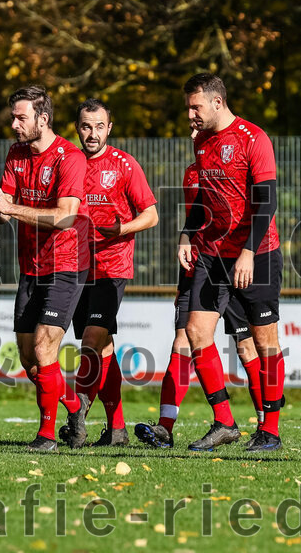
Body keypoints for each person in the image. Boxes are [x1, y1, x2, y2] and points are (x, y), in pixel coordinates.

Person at [135, 124, 265, 449]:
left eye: (199, 123)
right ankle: (165, 428)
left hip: (234, 263)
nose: (194, 131)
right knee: (184, 339)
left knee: (247, 346)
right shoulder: (192, 172)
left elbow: (258, 205)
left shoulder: (237, 159)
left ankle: (266, 426)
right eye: (190, 125)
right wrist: (184, 237)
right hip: (200, 266)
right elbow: (198, 215)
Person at [0, 85, 89, 452]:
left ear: (43, 118)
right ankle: (74, 405)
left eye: (21, 117)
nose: (14, 123)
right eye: (13, 116)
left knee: (44, 349)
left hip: (67, 264)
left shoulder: (69, 157)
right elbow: (5, 213)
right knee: (28, 359)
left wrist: (10, 208)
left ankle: (46, 436)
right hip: (31, 266)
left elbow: (65, 216)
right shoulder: (16, 153)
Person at [178, 73, 285, 453]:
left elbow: (266, 202)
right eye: (188, 107)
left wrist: (249, 252)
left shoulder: (253, 139)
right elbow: (205, 196)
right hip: (212, 252)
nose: (190, 114)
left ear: (217, 102)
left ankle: (270, 430)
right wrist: (188, 232)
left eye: (196, 106)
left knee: (264, 341)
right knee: (195, 332)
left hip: (256, 254)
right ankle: (224, 421)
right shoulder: (203, 141)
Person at [59, 98, 158, 448]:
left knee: (90, 340)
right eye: (86, 126)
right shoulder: (67, 163)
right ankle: (117, 429)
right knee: (103, 350)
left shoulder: (124, 165)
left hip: (112, 266)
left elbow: (151, 214)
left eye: (99, 126)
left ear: (109, 128)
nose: (92, 133)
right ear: (77, 127)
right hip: (76, 267)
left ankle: (77, 418)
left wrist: (123, 228)